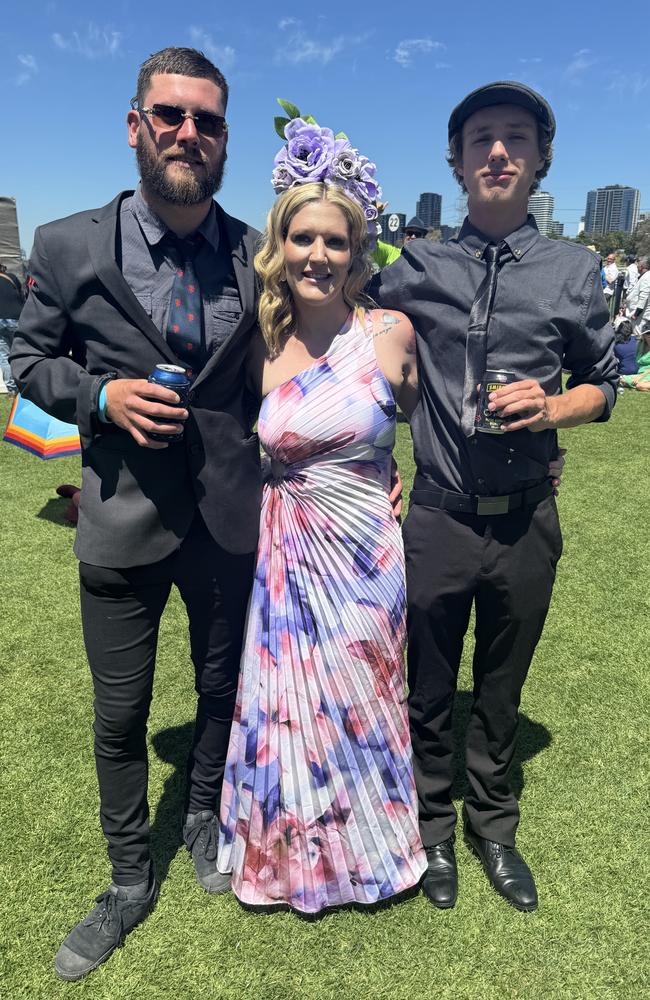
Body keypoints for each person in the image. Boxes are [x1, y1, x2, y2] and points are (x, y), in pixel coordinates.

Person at [10, 47, 261, 981]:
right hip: (119, 518)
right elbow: (28, 364)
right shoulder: (70, 244)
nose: (187, 133)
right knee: (119, 716)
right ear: (136, 126)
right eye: (170, 115)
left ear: (225, 137)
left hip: (231, 521)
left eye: (206, 119)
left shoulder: (256, 250)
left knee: (220, 690)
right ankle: (126, 879)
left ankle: (201, 812)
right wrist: (101, 397)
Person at [372, 80, 618, 913]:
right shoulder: (414, 266)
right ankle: (432, 828)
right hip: (437, 513)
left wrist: (554, 407)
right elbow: (344, 333)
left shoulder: (576, 271)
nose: (499, 152)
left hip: (525, 522)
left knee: (503, 685)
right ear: (457, 158)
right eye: (482, 139)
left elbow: (607, 383)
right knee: (429, 685)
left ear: (542, 158)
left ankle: (494, 825)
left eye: (516, 138)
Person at [216, 117, 426, 913]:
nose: (317, 255)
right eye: (302, 237)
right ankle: (289, 857)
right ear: (280, 245)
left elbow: (414, 419)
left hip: (367, 551)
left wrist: (391, 467)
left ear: (357, 251)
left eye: (335, 242)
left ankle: (373, 854)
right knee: (288, 709)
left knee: (363, 702)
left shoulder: (389, 334)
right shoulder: (258, 341)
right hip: (286, 552)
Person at [0, 263, 23, 395]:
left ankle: (12, 390)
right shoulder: (11, 277)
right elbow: (21, 295)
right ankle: (25, 384)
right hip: (16, 318)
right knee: (21, 353)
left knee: (4, 356)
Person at [625, 256, 650, 336]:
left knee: (638, 335)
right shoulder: (644, 276)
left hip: (641, 316)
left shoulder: (646, 277)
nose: (636, 266)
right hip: (637, 313)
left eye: (638, 264)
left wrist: (636, 314)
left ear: (642, 266)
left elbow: (644, 297)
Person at [603, 253, 619, 318]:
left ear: (614, 260)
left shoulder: (614, 269)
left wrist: (603, 274)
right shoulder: (607, 266)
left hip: (607, 291)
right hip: (602, 290)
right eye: (608, 258)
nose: (608, 260)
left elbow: (610, 281)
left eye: (610, 259)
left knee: (602, 308)